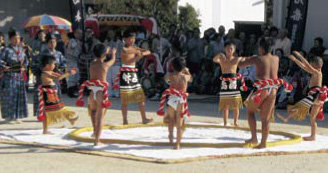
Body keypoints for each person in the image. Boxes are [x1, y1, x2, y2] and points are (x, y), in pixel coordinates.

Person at [238, 37, 292, 148]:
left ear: (261, 48)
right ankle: (263, 143)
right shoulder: (276, 58)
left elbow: (240, 65)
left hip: (262, 90)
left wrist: (246, 58)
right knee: (265, 118)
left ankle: (254, 138)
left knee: (250, 111)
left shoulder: (258, 59)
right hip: (273, 90)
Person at [277, 52, 325, 141]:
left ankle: (287, 118)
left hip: (315, 95)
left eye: (311, 64)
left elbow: (306, 66)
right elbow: (305, 67)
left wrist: (298, 57)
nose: (310, 65)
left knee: (299, 106)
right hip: (316, 96)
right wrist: (297, 59)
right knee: (311, 117)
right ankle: (313, 135)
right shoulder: (316, 72)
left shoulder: (317, 72)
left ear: (316, 65)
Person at [76, 43, 116, 146]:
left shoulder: (92, 64)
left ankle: (95, 131)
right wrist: (113, 53)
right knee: (100, 116)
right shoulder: (104, 65)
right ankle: (97, 140)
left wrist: (105, 52)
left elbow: (98, 57)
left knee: (93, 112)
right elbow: (113, 60)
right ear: (104, 55)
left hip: (92, 91)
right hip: (100, 92)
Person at [113, 29, 153, 125]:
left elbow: (148, 51)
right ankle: (125, 120)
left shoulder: (135, 48)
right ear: (125, 39)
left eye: (134, 38)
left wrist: (142, 53)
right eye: (130, 38)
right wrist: (138, 56)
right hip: (126, 75)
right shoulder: (124, 49)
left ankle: (144, 118)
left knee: (141, 97)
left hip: (133, 75)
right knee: (125, 100)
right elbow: (129, 60)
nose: (132, 40)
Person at [157, 57, 192, 150]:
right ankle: (177, 144)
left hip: (172, 99)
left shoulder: (171, 76)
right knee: (179, 123)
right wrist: (187, 71)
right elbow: (191, 79)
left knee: (171, 120)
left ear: (173, 66)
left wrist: (170, 72)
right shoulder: (185, 77)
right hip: (181, 100)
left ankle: (171, 137)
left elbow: (165, 79)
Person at [37, 55, 78, 134]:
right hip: (48, 94)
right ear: (47, 65)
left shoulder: (50, 72)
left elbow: (59, 76)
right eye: (54, 64)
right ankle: (46, 129)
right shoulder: (45, 73)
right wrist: (69, 73)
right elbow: (58, 78)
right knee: (55, 109)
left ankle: (69, 119)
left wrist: (68, 73)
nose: (55, 65)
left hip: (52, 92)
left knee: (58, 107)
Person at [32, 34, 67, 117]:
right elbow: (34, 65)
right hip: (44, 79)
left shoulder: (59, 54)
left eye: (54, 42)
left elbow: (64, 63)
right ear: (47, 43)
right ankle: (41, 114)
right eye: (50, 42)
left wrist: (60, 70)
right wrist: (41, 72)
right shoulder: (42, 55)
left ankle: (55, 113)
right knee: (43, 97)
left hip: (55, 78)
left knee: (55, 95)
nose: (52, 43)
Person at [213, 41, 246, 126]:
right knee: (225, 105)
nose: (229, 50)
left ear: (234, 50)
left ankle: (235, 122)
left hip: (233, 82)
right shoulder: (222, 59)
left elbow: (245, 59)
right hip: (224, 82)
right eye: (227, 48)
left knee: (235, 104)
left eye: (231, 48)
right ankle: (225, 122)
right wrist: (219, 54)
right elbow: (214, 59)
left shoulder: (236, 59)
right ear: (224, 49)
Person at [0, 29, 29, 124]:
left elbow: (25, 62)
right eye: (14, 39)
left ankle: (17, 116)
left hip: (19, 77)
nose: (16, 40)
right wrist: (4, 66)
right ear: (10, 39)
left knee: (18, 96)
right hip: (9, 77)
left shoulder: (21, 50)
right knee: (9, 96)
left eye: (18, 38)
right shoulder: (6, 50)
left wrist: (24, 67)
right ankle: (9, 117)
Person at [106, 30, 123, 98]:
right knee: (108, 79)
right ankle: (109, 92)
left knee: (115, 79)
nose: (110, 34)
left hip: (117, 62)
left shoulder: (119, 42)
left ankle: (116, 92)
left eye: (111, 32)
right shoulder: (109, 42)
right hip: (110, 62)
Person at [66, 29, 82, 98]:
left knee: (76, 77)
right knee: (72, 77)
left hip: (76, 61)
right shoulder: (72, 40)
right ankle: (71, 91)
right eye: (78, 33)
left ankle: (74, 90)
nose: (79, 35)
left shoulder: (78, 41)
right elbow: (72, 46)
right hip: (71, 60)